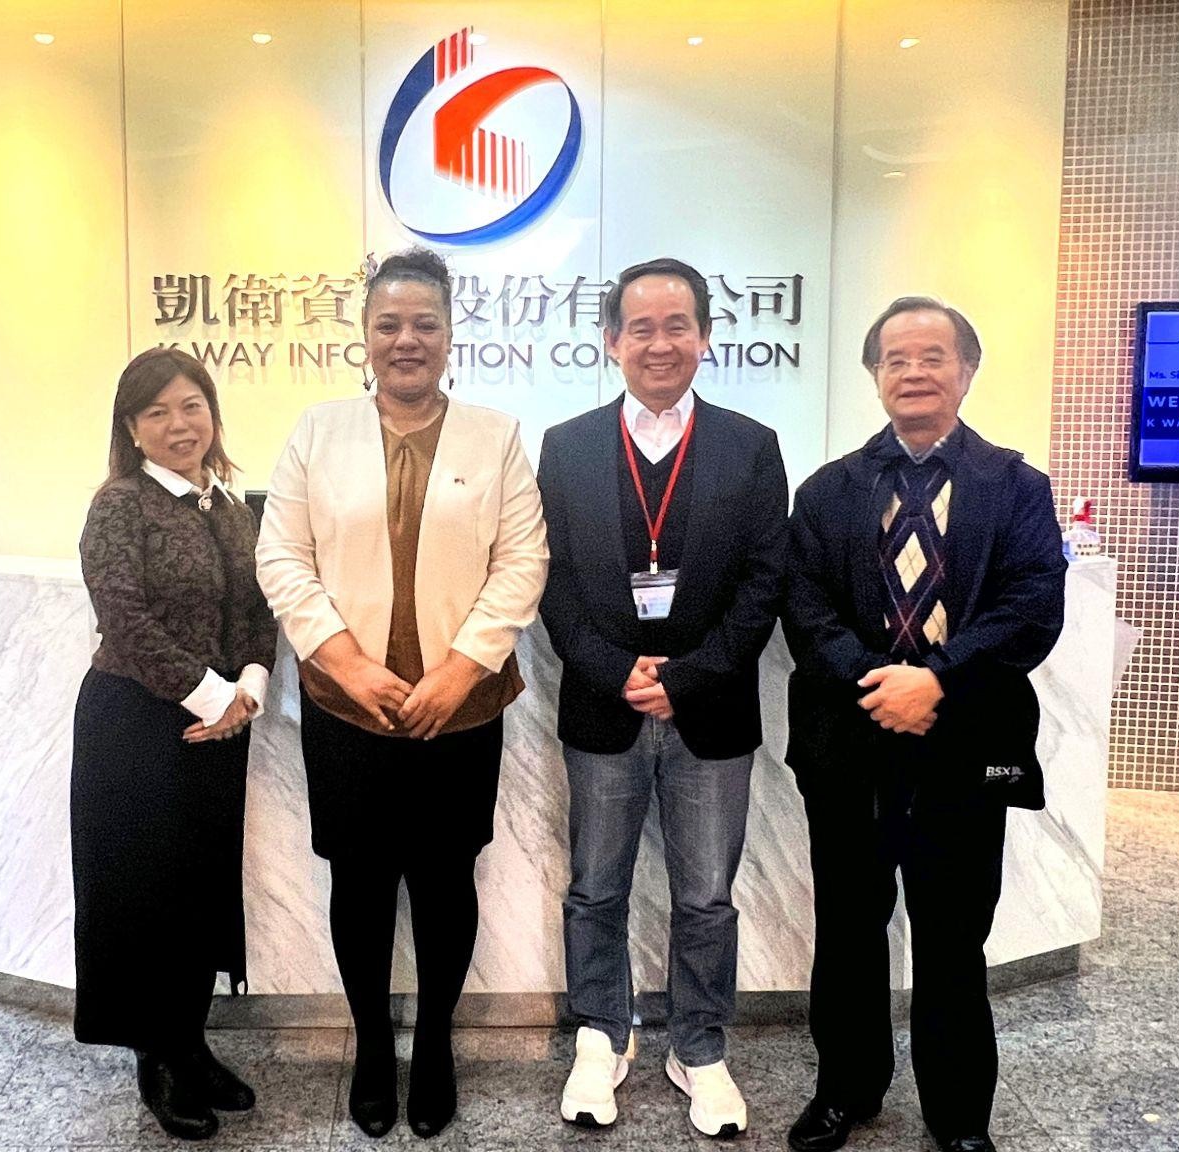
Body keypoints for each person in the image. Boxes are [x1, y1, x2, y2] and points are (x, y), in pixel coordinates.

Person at [256, 247, 548, 1140]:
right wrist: (348, 663)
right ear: (366, 334)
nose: (406, 339)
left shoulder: (496, 437)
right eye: (389, 324)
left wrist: (459, 671)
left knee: (446, 879)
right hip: (349, 711)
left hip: (461, 711)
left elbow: (522, 562)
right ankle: (375, 1047)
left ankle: (435, 1049)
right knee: (361, 882)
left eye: (425, 323)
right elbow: (282, 557)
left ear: (451, 334)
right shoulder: (318, 432)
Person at [782, 298, 1067, 1152]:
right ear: (875, 375)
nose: (914, 372)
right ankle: (846, 1090)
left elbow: (1032, 607)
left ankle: (959, 1116)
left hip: (966, 741)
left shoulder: (1016, 487)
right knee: (847, 928)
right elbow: (805, 607)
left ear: (967, 371)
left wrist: (936, 680)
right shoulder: (829, 489)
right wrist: (880, 684)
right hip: (849, 741)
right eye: (896, 358)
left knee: (952, 936)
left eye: (933, 356)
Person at [537, 257, 788, 1138]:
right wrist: (618, 671)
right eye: (639, 327)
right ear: (611, 340)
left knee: (706, 897)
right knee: (594, 889)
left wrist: (683, 678)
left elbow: (764, 583)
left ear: (705, 337)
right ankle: (601, 1036)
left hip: (709, 713)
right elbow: (553, 583)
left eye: (677, 325)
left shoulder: (750, 446)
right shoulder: (566, 446)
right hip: (603, 707)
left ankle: (699, 1047)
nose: (659, 343)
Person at [69, 346, 278, 1142]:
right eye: (156, 412)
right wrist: (215, 697)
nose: (178, 424)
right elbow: (124, 620)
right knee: (142, 896)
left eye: (192, 406)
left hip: (218, 724)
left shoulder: (228, 505)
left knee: (199, 891)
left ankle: (191, 1042)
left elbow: (256, 610)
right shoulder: (120, 506)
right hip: (136, 724)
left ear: (212, 414)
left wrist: (249, 688)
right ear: (131, 428)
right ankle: (155, 1057)